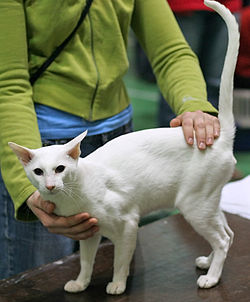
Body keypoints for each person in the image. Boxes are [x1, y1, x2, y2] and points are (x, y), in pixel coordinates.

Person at [0, 0, 220, 279]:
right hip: (42, 146)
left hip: (119, 143)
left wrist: (194, 105)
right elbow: (9, 83)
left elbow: (170, 51)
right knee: (42, 281)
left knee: (119, 274)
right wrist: (28, 188)